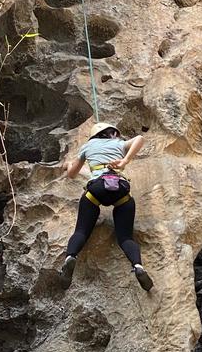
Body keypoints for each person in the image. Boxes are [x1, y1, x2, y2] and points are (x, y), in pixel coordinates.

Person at [59, 121, 153, 291]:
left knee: (81, 231)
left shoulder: (87, 147)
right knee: (125, 238)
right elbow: (140, 138)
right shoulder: (119, 144)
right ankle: (138, 266)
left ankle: (70, 257)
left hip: (96, 188)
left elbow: (72, 174)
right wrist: (124, 161)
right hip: (121, 189)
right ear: (111, 134)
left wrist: (67, 166)